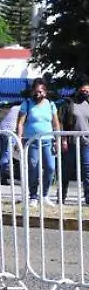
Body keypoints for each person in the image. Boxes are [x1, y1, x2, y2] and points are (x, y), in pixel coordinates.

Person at [16, 77, 61, 207]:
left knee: (51, 168)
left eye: (41, 91)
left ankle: (45, 195)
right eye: (36, 91)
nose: (38, 94)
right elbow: (20, 123)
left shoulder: (51, 105)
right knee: (33, 169)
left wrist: (57, 140)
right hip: (32, 141)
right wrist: (19, 138)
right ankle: (33, 196)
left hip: (48, 141)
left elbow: (56, 124)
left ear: (45, 92)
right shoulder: (27, 104)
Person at [57, 78, 89, 206]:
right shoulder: (68, 103)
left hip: (86, 143)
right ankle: (61, 198)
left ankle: (88, 198)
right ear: (78, 89)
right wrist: (63, 139)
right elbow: (61, 122)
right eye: (83, 90)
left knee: (87, 171)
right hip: (70, 142)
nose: (85, 92)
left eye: (87, 90)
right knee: (66, 171)